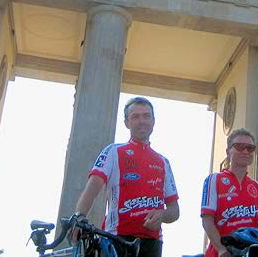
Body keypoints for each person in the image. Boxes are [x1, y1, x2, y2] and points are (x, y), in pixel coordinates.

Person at [73, 96, 180, 257]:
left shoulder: (163, 162)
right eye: (135, 116)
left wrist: (162, 214)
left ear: (153, 121)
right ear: (126, 123)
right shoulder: (113, 152)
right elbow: (91, 190)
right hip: (116, 239)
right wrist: (79, 217)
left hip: (152, 243)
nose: (141, 121)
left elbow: (174, 211)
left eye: (146, 116)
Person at [201, 128, 258, 257]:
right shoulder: (213, 180)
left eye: (250, 148)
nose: (245, 151)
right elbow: (207, 220)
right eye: (239, 146)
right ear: (228, 151)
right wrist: (221, 249)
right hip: (219, 253)